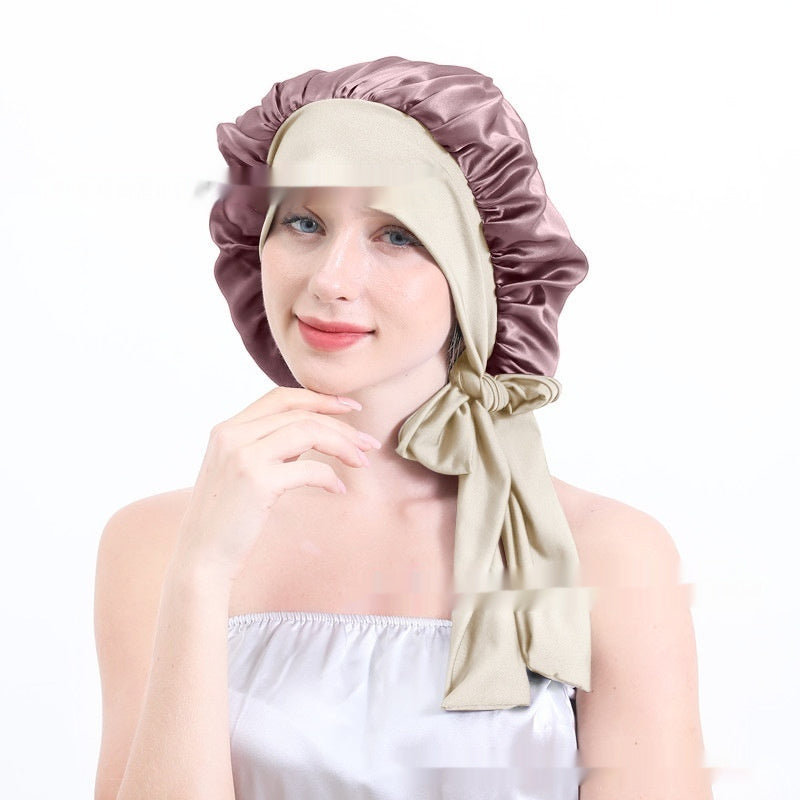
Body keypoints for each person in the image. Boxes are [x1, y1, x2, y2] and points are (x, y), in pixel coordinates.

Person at [93, 57, 713, 800]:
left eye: (396, 235)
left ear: (478, 273)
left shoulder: (605, 553)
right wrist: (202, 572)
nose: (330, 280)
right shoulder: (159, 543)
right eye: (303, 222)